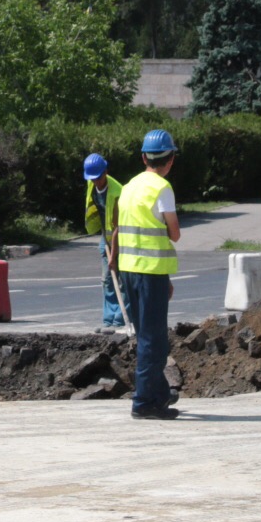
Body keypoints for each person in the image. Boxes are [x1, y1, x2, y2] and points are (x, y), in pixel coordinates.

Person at [115, 128, 182, 421]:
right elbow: (174, 233)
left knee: (146, 335)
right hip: (150, 273)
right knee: (154, 340)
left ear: (144, 157)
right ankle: (144, 402)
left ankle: (158, 394)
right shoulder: (161, 189)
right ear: (170, 160)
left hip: (130, 270)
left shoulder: (129, 187)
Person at [82, 153, 125, 331]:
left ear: (105, 172)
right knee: (107, 279)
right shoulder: (91, 182)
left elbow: (118, 228)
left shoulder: (117, 192)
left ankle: (121, 317)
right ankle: (109, 319)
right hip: (104, 238)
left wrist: (113, 255)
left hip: (120, 239)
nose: (95, 182)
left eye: (98, 178)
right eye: (92, 179)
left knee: (120, 278)